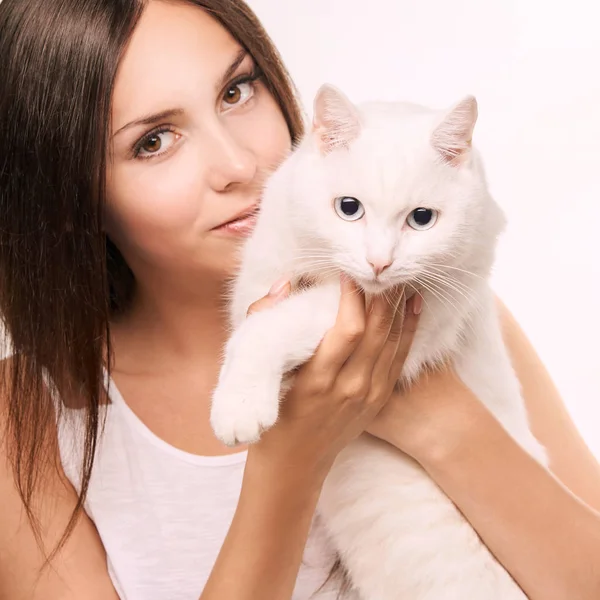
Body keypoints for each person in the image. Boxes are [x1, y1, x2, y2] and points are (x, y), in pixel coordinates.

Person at [0, 1, 599, 599]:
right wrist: (287, 462)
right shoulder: (28, 414)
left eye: (237, 91)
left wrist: (434, 416)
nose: (238, 164)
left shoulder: (447, 311)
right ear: (70, 193)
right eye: (154, 141)